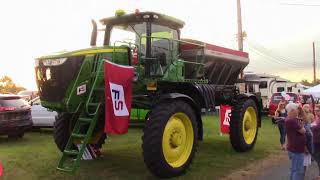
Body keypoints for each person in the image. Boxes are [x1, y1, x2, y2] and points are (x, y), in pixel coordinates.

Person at [285, 103, 306, 180]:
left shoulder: (290, 119)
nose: (298, 111)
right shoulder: (292, 120)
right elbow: (303, 131)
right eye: (297, 109)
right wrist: (302, 125)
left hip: (294, 148)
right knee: (298, 170)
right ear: (293, 110)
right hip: (296, 149)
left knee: (294, 169)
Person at [312, 105, 320, 179]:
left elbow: (315, 127)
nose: (316, 112)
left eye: (317, 110)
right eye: (315, 110)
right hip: (315, 140)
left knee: (318, 158)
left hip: (318, 141)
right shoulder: (316, 118)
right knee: (316, 157)